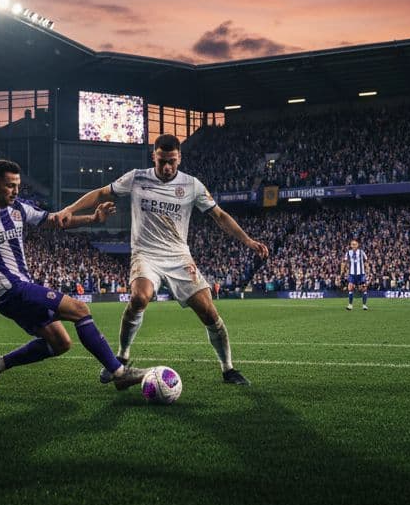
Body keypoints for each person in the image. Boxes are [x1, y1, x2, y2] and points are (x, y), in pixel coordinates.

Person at [0, 159, 145, 392]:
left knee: (61, 343)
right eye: (10, 185)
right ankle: (119, 374)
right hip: (10, 290)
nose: (15, 190)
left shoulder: (19, 208)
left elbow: (54, 220)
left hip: (20, 290)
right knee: (80, 310)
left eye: (18, 185)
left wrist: (92, 219)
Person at [60, 134, 269, 386]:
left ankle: (228, 369)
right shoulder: (137, 177)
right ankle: (122, 357)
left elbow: (220, 215)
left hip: (179, 256)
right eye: (162, 161)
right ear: (154, 156)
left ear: (179, 157)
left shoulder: (191, 185)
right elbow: (101, 192)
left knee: (209, 313)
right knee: (139, 298)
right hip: (146, 254)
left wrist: (248, 241)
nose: (167, 167)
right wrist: (69, 210)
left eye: (172, 161)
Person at [342, 238, 369, 310]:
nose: (353, 246)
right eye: (352, 244)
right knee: (350, 288)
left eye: (354, 244)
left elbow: (366, 261)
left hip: (361, 274)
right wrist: (342, 271)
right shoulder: (348, 253)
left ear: (358, 245)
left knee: (364, 288)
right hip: (352, 274)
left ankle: (364, 305)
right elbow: (344, 262)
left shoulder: (361, 252)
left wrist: (368, 270)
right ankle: (350, 305)